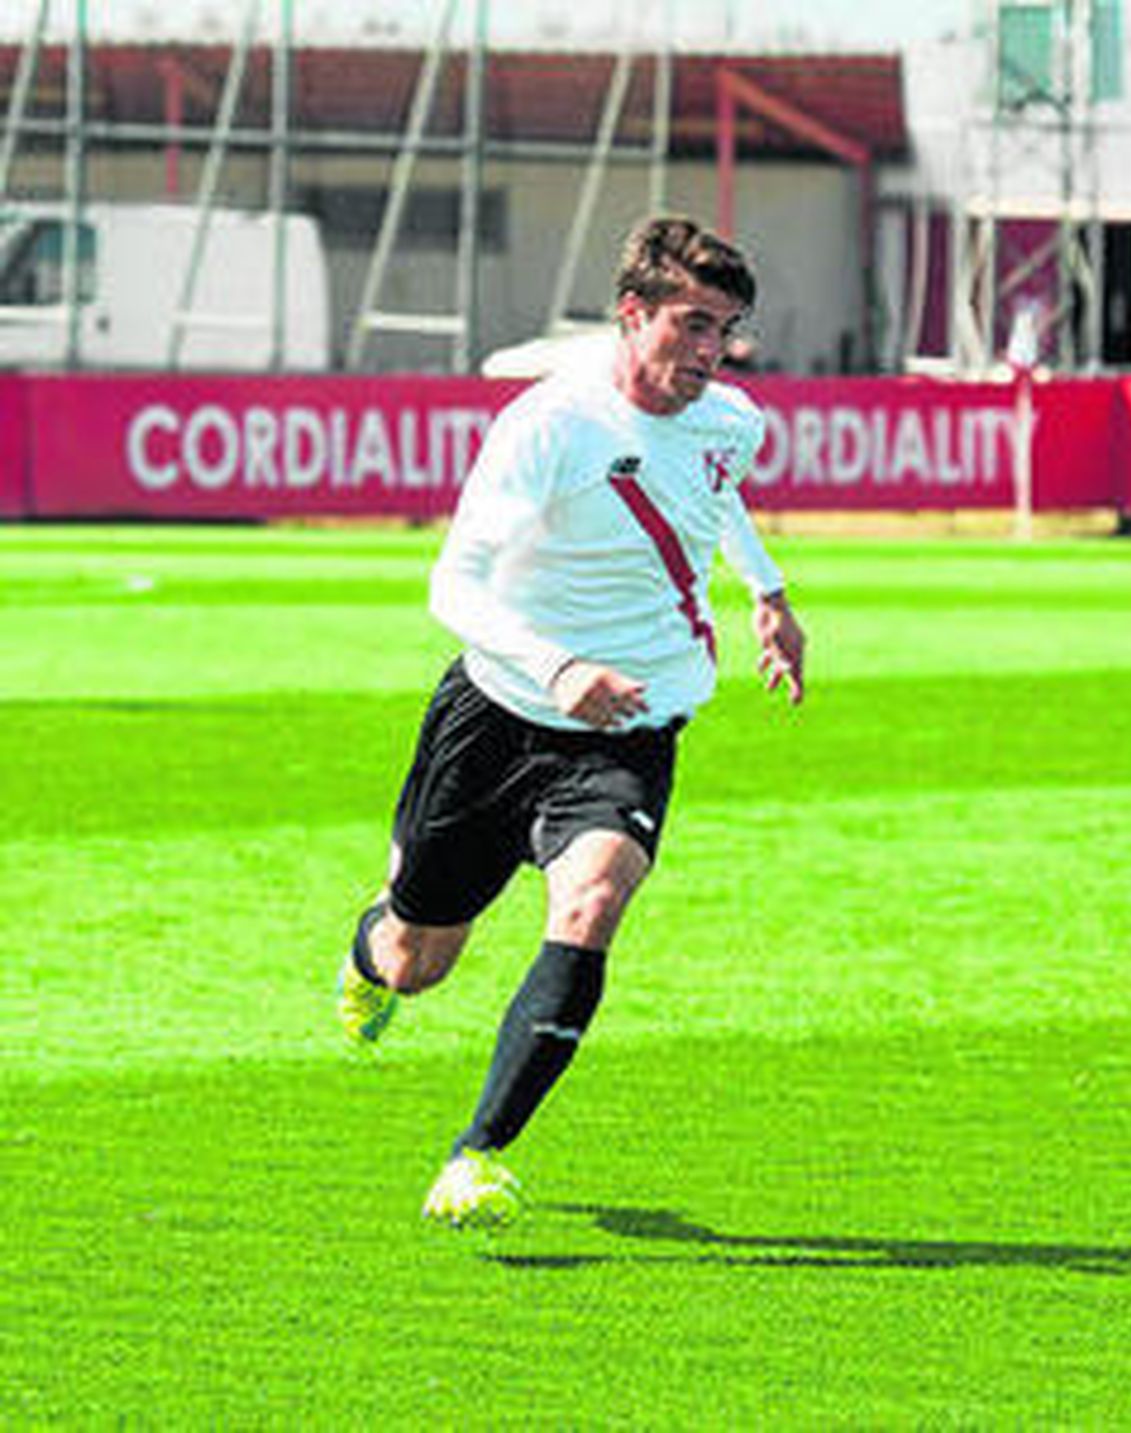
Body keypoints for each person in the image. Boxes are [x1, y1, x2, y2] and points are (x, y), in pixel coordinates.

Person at [335, 215, 806, 1229]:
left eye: (725, 329)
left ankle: (476, 1153)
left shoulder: (731, 419)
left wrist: (768, 593)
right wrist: (558, 667)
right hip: (501, 711)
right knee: (417, 959)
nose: (712, 350)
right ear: (632, 313)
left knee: (592, 899)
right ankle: (371, 943)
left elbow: (714, 491)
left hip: (634, 721)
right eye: (692, 324)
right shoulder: (549, 424)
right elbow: (452, 583)